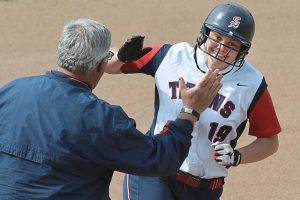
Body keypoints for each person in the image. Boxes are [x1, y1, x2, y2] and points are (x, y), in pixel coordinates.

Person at [0, 18, 223, 200]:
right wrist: (190, 111)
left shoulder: (11, 91)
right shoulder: (101, 118)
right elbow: (161, 159)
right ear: (100, 66)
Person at [104, 3, 281, 200]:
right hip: (155, 173)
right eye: (217, 38)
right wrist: (120, 56)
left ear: (242, 51)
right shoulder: (172, 57)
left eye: (232, 45)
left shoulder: (252, 83)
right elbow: (108, 65)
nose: (221, 49)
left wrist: (237, 156)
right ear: (206, 33)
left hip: (205, 190)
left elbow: (270, 141)